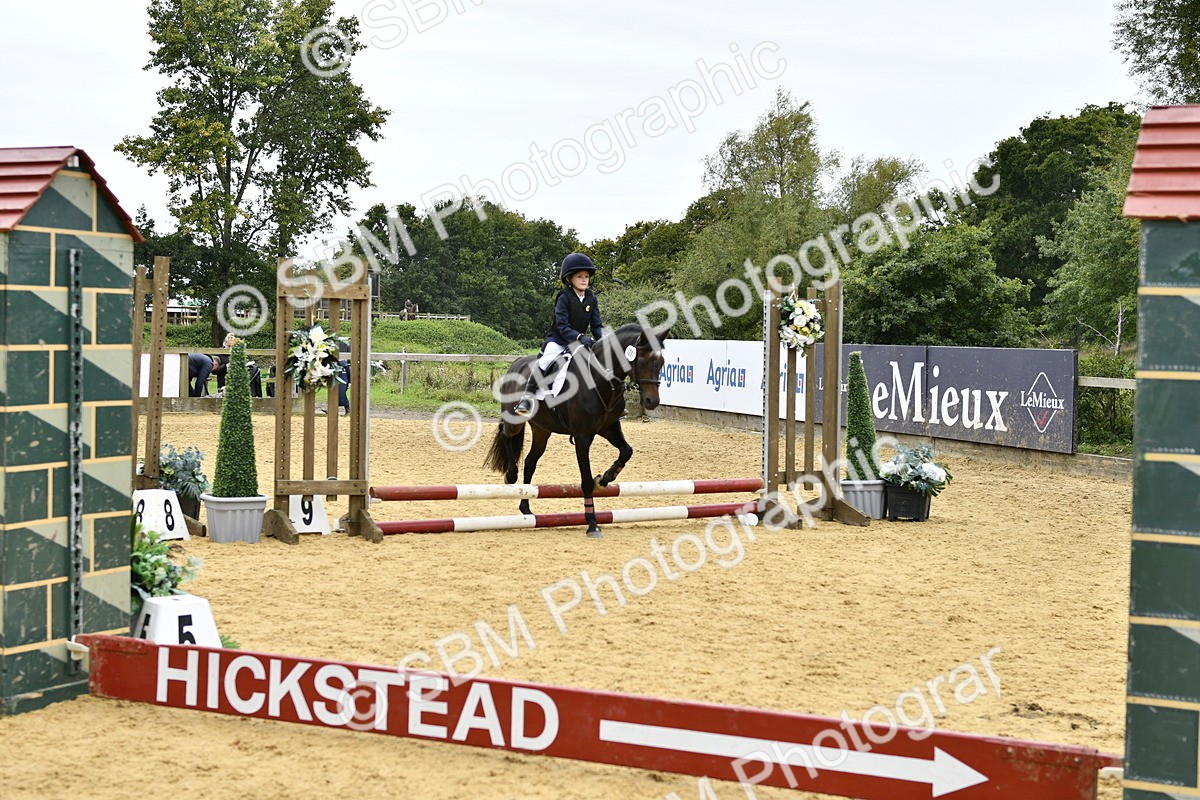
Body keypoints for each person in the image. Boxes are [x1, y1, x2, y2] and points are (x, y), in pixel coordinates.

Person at [514, 252, 605, 416]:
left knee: (601, 361)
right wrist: (579, 337)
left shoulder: (591, 298)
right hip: (559, 340)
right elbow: (563, 326)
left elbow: (597, 325)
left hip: (580, 342)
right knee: (546, 361)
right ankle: (526, 398)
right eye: (579, 276)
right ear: (569, 279)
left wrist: (605, 341)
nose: (584, 280)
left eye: (586, 276)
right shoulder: (563, 297)